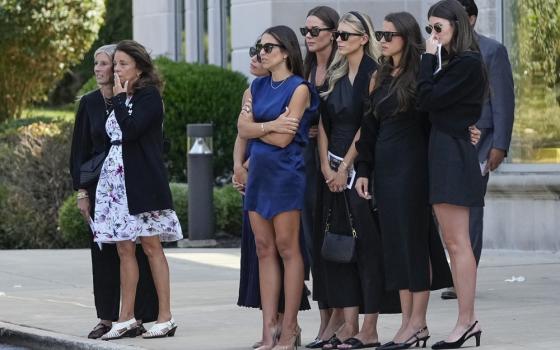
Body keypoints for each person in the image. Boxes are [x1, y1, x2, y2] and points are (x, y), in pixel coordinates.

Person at [355, 12, 456, 350]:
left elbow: (438, 114)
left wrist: (465, 129)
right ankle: (406, 322)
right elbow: (369, 128)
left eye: (389, 35)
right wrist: (364, 170)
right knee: (395, 246)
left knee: (414, 244)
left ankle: (418, 322)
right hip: (384, 167)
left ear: (406, 38)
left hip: (413, 167)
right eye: (380, 35)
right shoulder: (379, 76)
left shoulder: (421, 73)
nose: (382, 40)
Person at [316, 11, 399, 350]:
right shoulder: (335, 73)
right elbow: (322, 124)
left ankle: (370, 327)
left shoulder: (373, 74)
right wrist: (325, 165)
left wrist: (346, 166)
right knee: (339, 248)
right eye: (338, 35)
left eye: (346, 36)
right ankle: (347, 326)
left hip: (359, 167)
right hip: (331, 167)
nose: (339, 41)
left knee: (365, 248)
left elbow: (368, 123)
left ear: (364, 39)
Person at [90, 40, 183, 340]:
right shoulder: (123, 97)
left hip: (140, 183)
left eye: (123, 64)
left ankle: (165, 317)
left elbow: (131, 130)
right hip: (116, 185)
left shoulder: (148, 97)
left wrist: (118, 100)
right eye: (115, 64)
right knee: (124, 248)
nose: (116, 70)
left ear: (140, 68)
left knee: (152, 246)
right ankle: (126, 316)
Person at [237, 26, 319, 350]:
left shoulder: (299, 89)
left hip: (285, 175)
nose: (261, 52)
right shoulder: (254, 87)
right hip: (258, 174)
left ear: (285, 51)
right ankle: (268, 328)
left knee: (288, 249)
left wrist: (257, 129)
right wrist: (269, 125)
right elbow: (242, 128)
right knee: (263, 249)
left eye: (268, 47)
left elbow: (287, 139)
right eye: (259, 46)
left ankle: (290, 328)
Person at [69, 44, 159, 340]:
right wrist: (82, 192)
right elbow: (79, 150)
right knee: (105, 253)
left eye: (105, 63)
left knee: (141, 251)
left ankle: (142, 315)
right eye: (96, 63)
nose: (99, 69)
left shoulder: (137, 99)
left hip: (133, 183)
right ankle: (106, 317)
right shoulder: (89, 103)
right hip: (100, 188)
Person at [416, 0, 488, 348]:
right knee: (453, 242)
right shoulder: (456, 63)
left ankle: (467, 320)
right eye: (429, 29)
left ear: (457, 26)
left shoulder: (467, 63)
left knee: (458, 243)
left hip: (452, 155)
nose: (433, 35)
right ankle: (466, 319)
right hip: (445, 149)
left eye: (438, 28)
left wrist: (429, 59)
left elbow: (426, 98)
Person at [441, 0, 515, 300]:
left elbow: (503, 100)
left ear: (471, 19)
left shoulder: (492, 50)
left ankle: (463, 277)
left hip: (479, 141)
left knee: (470, 209)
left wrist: (500, 145)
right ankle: (452, 270)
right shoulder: (439, 52)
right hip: (444, 140)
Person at [298, 6, 345, 349]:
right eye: (306, 31)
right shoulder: (304, 69)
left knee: (334, 239)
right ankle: (325, 316)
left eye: (315, 30)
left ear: (333, 32)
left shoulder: (342, 69)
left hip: (334, 164)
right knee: (312, 242)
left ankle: (341, 316)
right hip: (303, 162)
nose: (309, 36)